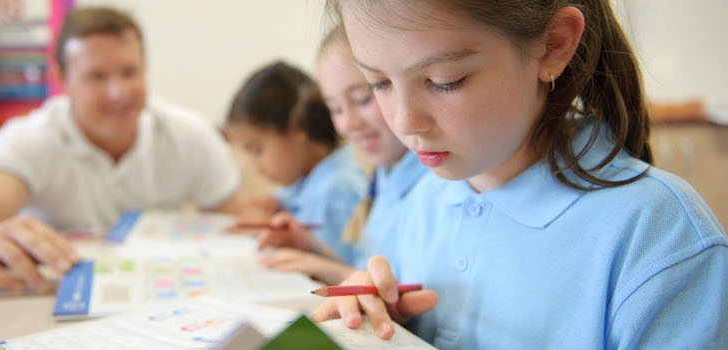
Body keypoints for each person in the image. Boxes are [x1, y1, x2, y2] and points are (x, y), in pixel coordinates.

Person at [312, 0, 728, 348]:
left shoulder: (660, 234)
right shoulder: (425, 197)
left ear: (554, 45)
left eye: (445, 81)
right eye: (377, 83)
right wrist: (389, 326)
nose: (404, 122)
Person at [0, 7, 249, 293]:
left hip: (167, 302)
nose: (118, 92)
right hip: (47, 301)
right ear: (63, 80)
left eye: (129, 72)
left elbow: (239, 216)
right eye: (97, 76)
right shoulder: (31, 139)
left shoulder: (187, 133)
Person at [258, 25, 429, 285]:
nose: (348, 123)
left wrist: (329, 270)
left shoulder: (434, 182)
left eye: (362, 99)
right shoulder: (385, 174)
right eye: (335, 108)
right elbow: (367, 272)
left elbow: (403, 300)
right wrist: (309, 245)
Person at [225, 61, 367, 264]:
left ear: (297, 128)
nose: (257, 168)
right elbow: (275, 203)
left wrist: (269, 230)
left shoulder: (335, 188)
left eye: (257, 150)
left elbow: (339, 273)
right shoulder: (305, 180)